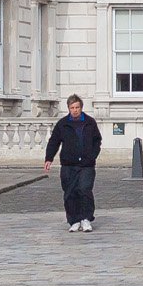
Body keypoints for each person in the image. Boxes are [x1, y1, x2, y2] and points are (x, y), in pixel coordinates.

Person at [45, 93, 103, 233]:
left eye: (77, 107)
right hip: (68, 164)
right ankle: (74, 220)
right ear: (69, 109)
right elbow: (54, 141)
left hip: (86, 164)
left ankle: (86, 218)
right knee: (70, 193)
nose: (75, 110)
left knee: (84, 190)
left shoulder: (90, 122)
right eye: (72, 107)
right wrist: (49, 158)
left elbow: (97, 141)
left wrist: (92, 156)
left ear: (81, 108)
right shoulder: (63, 124)